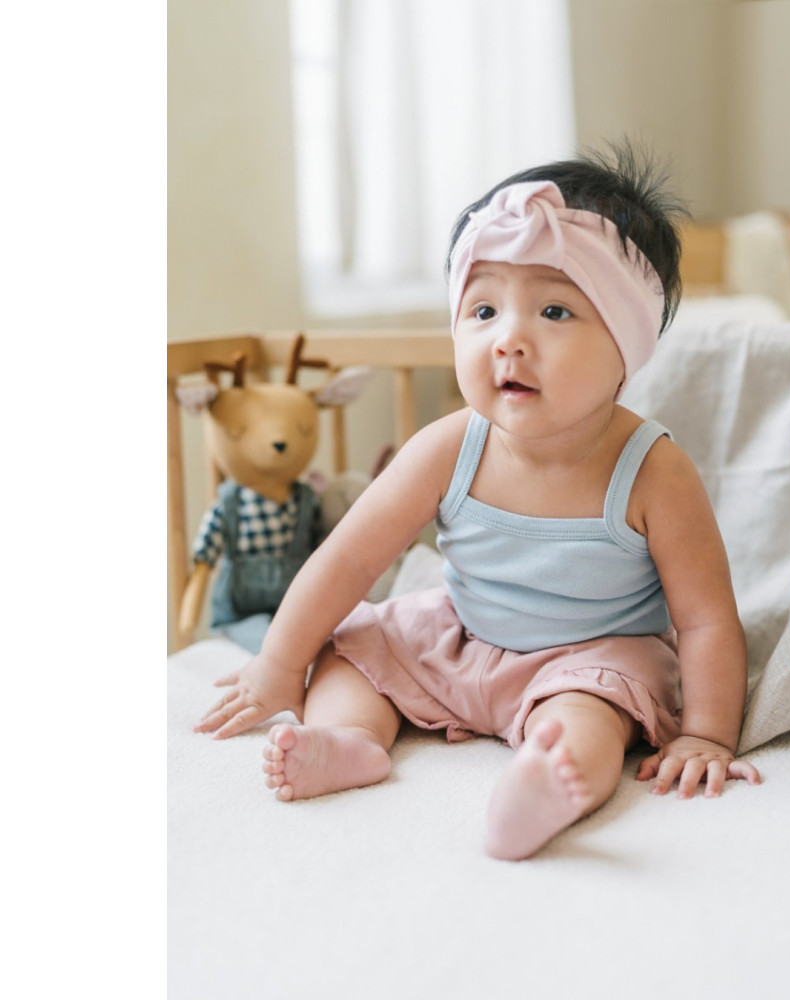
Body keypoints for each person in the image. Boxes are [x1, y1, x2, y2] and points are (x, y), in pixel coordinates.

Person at [196, 143, 761, 861]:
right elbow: (347, 561)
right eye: (485, 309)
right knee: (352, 648)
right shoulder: (447, 447)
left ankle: (550, 786)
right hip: (458, 635)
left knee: (591, 716)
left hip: (586, 660)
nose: (509, 339)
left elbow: (706, 618)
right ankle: (348, 740)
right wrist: (280, 664)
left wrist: (706, 733)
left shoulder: (653, 471)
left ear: (626, 347)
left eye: (554, 310)